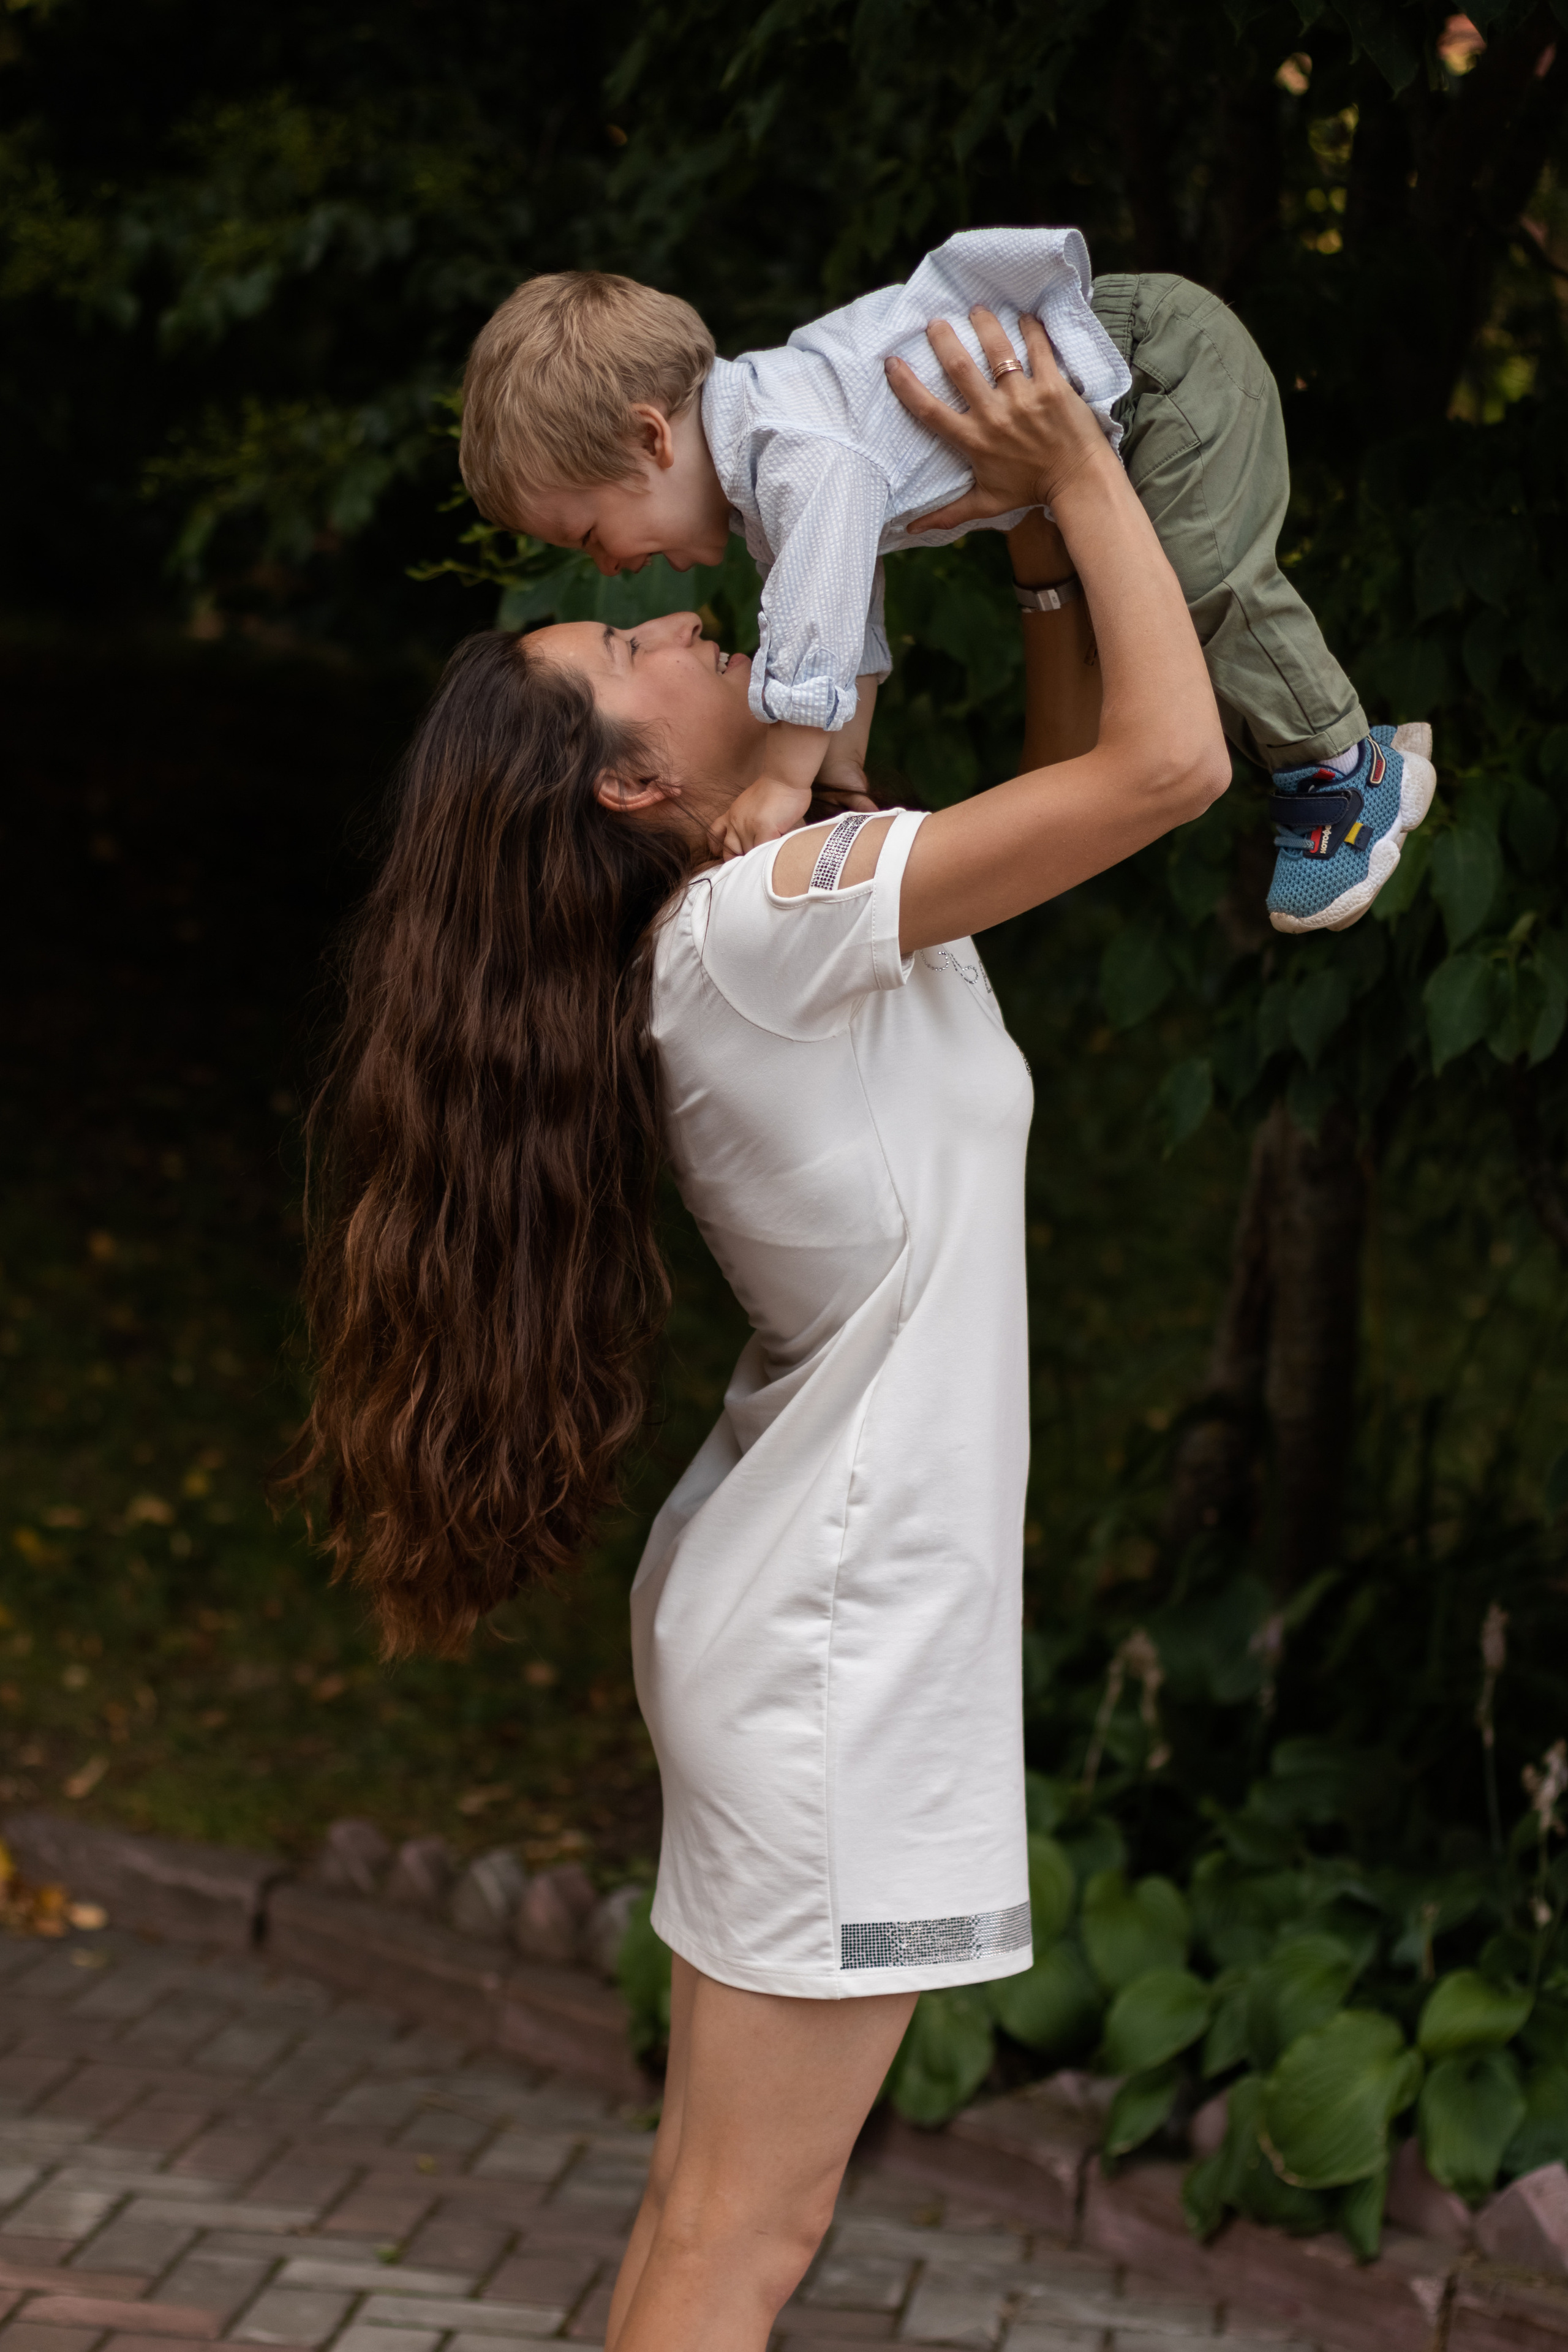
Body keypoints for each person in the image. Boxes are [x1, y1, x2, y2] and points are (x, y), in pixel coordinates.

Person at [293, 314, 1228, 2350]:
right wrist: (1072, 462)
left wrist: (1040, 550)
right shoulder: (766, 924)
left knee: (707, 2220)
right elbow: (1168, 768)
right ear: (632, 785)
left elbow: (1065, 780)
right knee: (739, 2243)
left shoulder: (772, 909)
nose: (674, 621)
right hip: (838, 1647)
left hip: (799, 1618)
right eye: (626, 657)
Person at [458, 232, 1434, 935]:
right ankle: (1333, 765)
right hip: (1124, 397)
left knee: (1198, 586)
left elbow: (819, 628)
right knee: (1169, 601)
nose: (613, 570)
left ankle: (1348, 771)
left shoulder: (786, 446)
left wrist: (784, 776)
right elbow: (844, 623)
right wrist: (840, 767)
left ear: (648, 436)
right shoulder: (771, 486)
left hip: (1150, 365)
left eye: (591, 533)